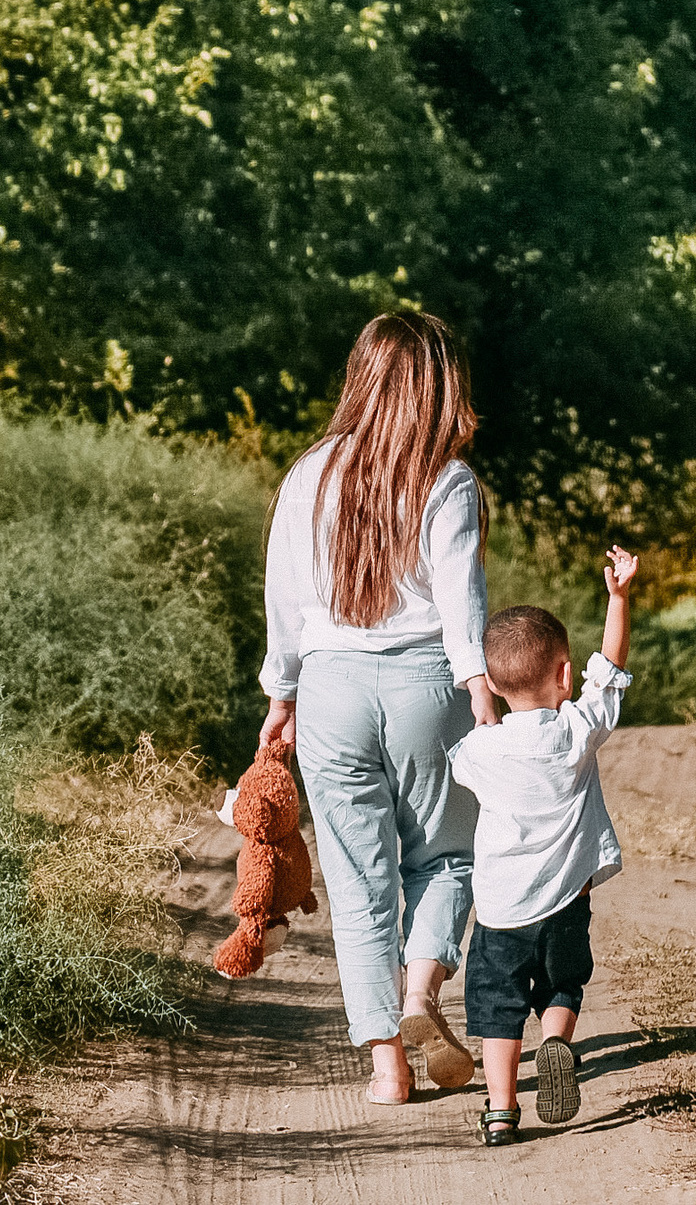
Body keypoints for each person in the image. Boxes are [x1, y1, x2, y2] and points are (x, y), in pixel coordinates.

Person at [257, 311, 497, 1104]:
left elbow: (285, 601)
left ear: (360, 374)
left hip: (330, 687)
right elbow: (462, 604)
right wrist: (481, 694)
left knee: (361, 880)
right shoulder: (446, 477)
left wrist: (282, 693)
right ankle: (422, 988)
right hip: (427, 684)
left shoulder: (308, 474)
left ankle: (387, 1067)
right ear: (437, 386)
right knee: (451, 857)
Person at [447, 545, 640, 1145]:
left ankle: (501, 1110)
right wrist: (618, 597)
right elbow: (609, 668)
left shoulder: (482, 751)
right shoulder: (577, 732)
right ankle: (557, 1042)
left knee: (497, 1010)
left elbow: (462, 761)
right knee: (561, 986)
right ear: (563, 676)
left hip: (502, 911)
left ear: (498, 688)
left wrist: (484, 717)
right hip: (565, 904)